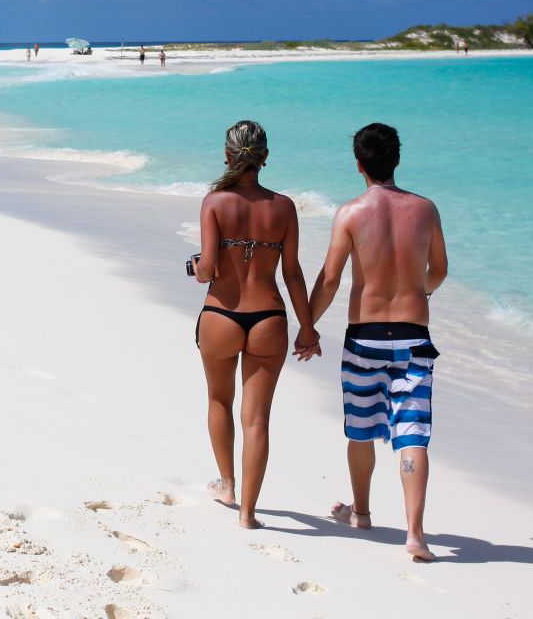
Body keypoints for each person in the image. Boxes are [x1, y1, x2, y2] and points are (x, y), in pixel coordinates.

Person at [306, 123, 449, 563]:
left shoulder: (350, 213)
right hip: (413, 338)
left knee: (362, 429)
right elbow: (440, 270)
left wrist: (307, 325)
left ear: (358, 165)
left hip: (365, 338)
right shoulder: (425, 210)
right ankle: (415, 535)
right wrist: (418, 291)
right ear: (397, 160)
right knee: (412, 436)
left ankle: (361, 512)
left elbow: (330, 279)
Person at [191, 120, 318, 529]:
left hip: (221, 315)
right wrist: (308, 326)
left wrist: (196, 267)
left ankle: (227, 485)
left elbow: (208, 269)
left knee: (218, 401)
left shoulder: (215, 202)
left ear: (227, 155)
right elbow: (293, 273)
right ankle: (248, 513)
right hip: (269, 318)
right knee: (257, 419)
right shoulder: (283, 207)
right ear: (265, 157)